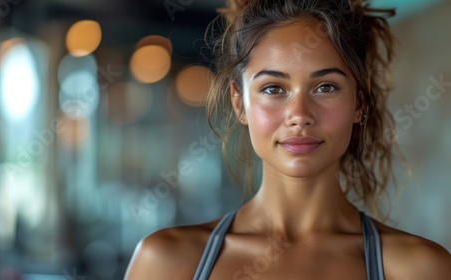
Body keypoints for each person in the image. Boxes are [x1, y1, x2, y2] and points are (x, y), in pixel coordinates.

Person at [125, 0, 451, 279]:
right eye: (273, 88)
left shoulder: (418, 269)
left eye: (326, 87)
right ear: (239, 103)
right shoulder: (166, 263)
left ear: (360, 102)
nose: (299, 114)